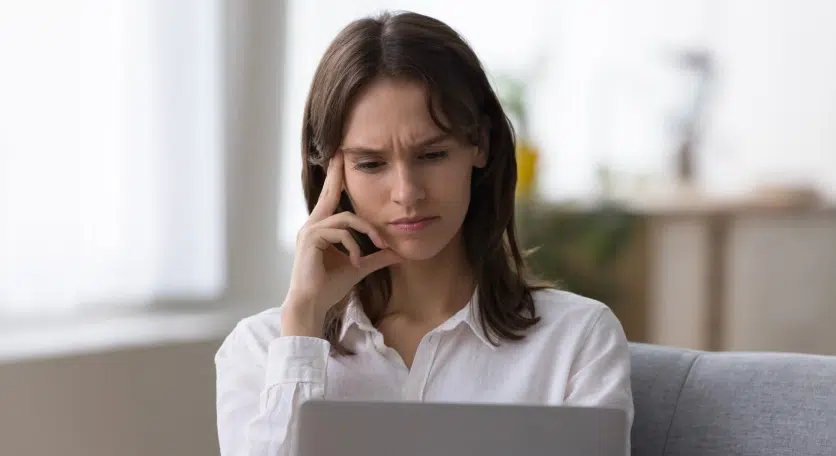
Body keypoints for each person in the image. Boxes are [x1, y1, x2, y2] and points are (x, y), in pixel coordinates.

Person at [215, 10, 633, 456]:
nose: (407, 193)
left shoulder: (576, 339)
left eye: (432, 154)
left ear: (480, 146)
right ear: (333, 172)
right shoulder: (261, 351)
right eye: (371, 163)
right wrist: (302, 324)